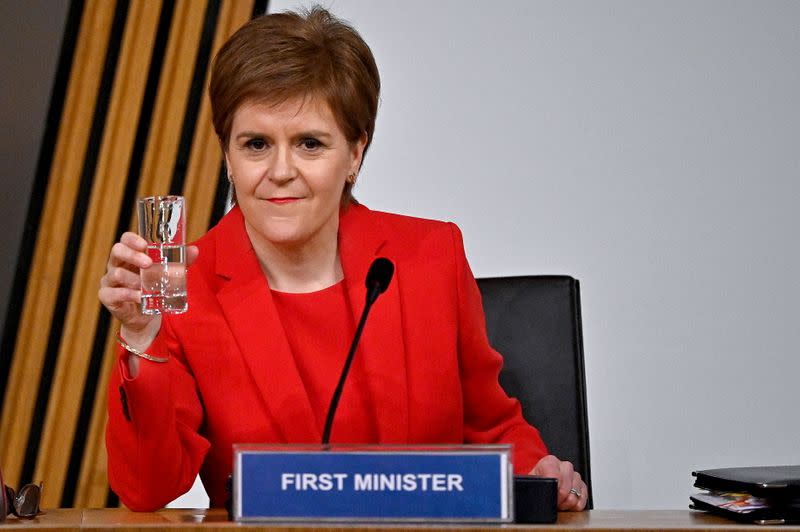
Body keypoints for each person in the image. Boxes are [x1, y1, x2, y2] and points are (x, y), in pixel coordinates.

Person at [98, 6, 588, 513]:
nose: (280, 171)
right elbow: (147, 490)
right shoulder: (185, 287)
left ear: (355, 153)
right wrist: (142, 339)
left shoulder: (429, 259)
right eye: (256, 144)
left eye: (310, 144)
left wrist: (538, 472)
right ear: (227, 154)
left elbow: (493, 428)